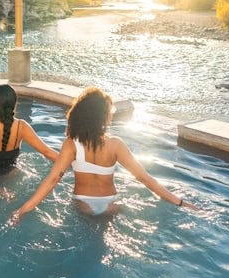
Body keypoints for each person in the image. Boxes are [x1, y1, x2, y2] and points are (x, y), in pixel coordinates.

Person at [12, 87, 192, 219]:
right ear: (100, 116)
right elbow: (144, 178)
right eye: (109, 111)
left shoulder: (72, 145)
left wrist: (22, 210)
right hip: (111, 205)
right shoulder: (116, 145)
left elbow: (52, 180)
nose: (111, 115)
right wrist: (180, 202)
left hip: (83, 205)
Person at [0, 84, 59, 174]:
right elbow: (47, 152)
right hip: (13, 174)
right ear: (15, 103)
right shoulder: (22, 127)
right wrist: (71, 161)